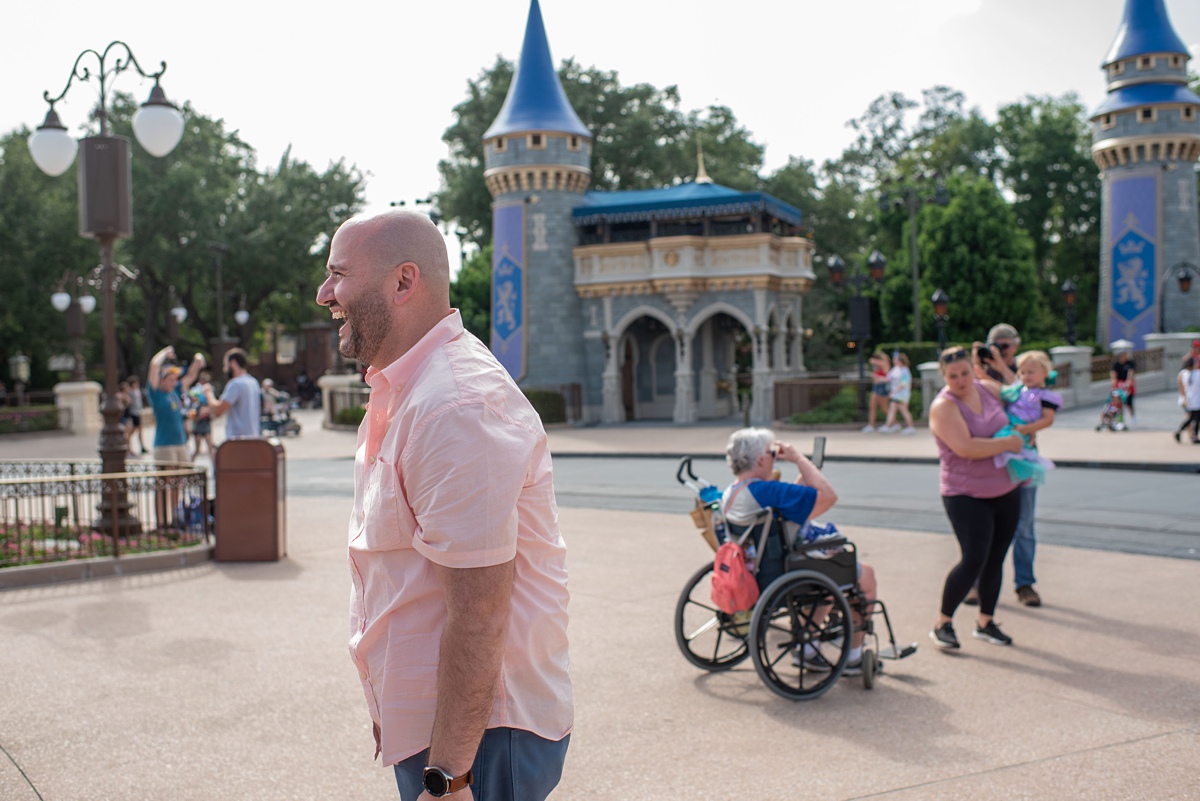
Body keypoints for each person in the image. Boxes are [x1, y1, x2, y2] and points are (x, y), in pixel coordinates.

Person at [316, 209, 571, 801]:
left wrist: (447, 776)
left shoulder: (455, 406)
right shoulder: (413, 390)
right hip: (453, 732)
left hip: (482, 743)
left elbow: (479, 613)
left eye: (338, 274)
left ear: (404, 282)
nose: (325, 294)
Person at [721, 427, 880, 677]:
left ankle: (809, 649)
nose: (775, 457)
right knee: (864, 576)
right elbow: (828, 496)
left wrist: (804, 472)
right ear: (761, 460)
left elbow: (788, 507)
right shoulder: (767, 490)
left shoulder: (732, 492)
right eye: (772, 453)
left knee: (823, 575)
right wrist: (798, 459)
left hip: (757, 570)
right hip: (786, 570)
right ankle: (853, 657)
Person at [928, 346, 1024, 650]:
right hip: (965, 493)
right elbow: (966, 447)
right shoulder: (943, 406)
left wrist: (999, 364)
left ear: (974, 368)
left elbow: (1021, 396)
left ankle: (986, 622)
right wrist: (1009, 442)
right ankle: (943, 623)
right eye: (953, 376)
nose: (960, 380)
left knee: (996, 558)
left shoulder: (986, 389)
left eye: (965, 372)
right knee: (974, 558)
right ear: (944, 377)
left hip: (1005, 487)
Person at [993, 351, 1060, 487]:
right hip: (1012, 423)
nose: (1026, 376)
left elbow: (1048, 419)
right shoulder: (1020, 389)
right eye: (1022, 373)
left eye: (1031, 372)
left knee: (1007, 445)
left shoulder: (1045, 395)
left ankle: (1029, 471)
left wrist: (1026, 429)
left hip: (1021, 427)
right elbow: (1003, 389)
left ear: (1044, 372)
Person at [203, 348, 261, 439]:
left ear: (233, 363)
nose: (224, 369)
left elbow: (218, 410)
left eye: (225, 364)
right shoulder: (253, 382)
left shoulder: (236, 384)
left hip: (237, 441)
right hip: (253, 438)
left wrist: (208, 393)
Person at [880, 352, 915, 434]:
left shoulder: (905, 370)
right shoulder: (895, 369)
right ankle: (888, 426)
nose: (894, 361)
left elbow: (903, 383)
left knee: (904, 410)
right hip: (896, 394)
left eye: (896, 359)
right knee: (892, 410)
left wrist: (894, 391)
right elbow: (888, 378)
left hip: (902, 395)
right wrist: (878, 378)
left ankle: (910, 427)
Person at [188, 372, 216, 461]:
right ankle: (190, 466)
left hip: (206, 423)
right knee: (197, 450)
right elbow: (193, 416)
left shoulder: (209, 391)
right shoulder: (195, 392)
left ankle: (215, 468)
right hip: (198, 426)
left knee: (211, 448)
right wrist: (200, 415)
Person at [863, 352, 891, 432]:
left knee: (884, 408)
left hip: (882, 387)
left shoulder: (885, 363)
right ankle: (871, 425)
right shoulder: (876, 366)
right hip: (876, 386)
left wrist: (875, 362)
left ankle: (894, 423)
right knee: (872, 406)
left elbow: (887, 374)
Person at [1174, 356, 1200, 444]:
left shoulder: (1183, 373)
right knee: (1195, 418)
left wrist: (1184, 398)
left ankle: (1181, 431)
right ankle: (1194, 436)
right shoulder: (1197, 373)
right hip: (1195, 400)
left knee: (1191, 418)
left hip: (1187, 400)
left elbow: (1180, 387)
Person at [1111, 349, 1136, 426]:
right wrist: (1114, 384)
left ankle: (1133, 416)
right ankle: (1120, 420)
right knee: (1118, 403)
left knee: (1129, 403)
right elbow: (1113, 374)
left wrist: (1129, 381)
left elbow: (1130, 373)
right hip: (1119, 384)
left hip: (1127, 385)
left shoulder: (1130, 363)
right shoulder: (1116, 364)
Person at [124, 376, 147, 456]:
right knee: (131, 432)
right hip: (133, 414)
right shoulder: (130, 393)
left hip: (137, 413)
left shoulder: (137, 392)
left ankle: (142, 446)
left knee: (140, 430)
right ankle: (128, 447)